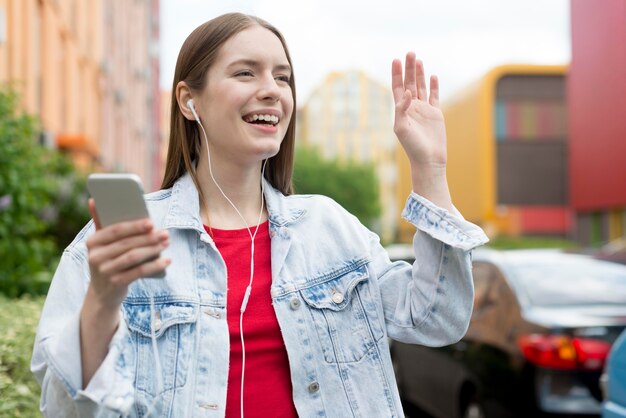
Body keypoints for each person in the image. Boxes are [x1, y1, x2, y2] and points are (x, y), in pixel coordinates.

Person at [31, 12, 488, 418]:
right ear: (190, 101)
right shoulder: (123, 238)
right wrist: (102, 302)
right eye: (246, 73)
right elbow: (63, 408)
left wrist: (429, 168)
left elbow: (436, 319)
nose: (271, 90)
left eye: (283, 77)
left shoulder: (329, 229)